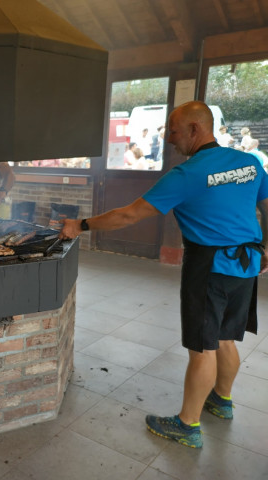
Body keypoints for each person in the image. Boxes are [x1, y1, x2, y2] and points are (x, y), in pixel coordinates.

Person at [60, 101, 268, 449]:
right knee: (226, 339)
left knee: (203, 347)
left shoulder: (188, 174)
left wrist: (80, 225)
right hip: (245, 264)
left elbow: (129, 216)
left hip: (209, 268)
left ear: (194, 130)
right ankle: (223, 400)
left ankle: (187, 425)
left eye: (173, 130)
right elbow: (267, 203)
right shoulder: (249, 163)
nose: (168, 138)